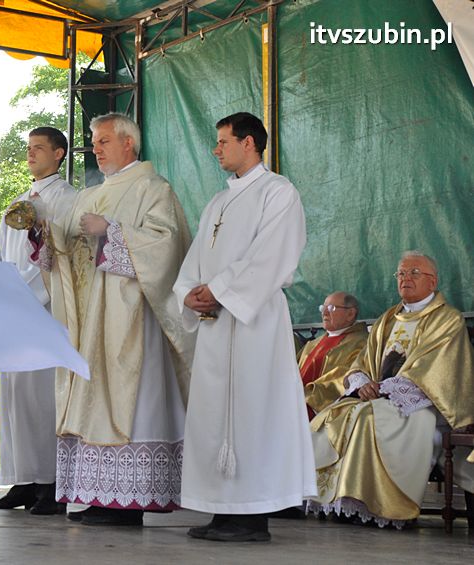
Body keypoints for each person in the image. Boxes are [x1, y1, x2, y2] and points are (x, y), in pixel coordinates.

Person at [31, 113, 194, 526]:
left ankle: (130, 502)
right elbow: (62, 252)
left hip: (131, 319)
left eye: (104, 141)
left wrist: (114, 232)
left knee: (130, 400)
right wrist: (42, 233)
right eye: (94, 141)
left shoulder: (152, 188)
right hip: (90, 321)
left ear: (129, 144)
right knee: (92, 402)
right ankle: (101, 495)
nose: (96, 148)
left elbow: (167, 244)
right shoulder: (88, 196)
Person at [173, 112, 316, 542]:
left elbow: (274, 255)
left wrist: (218, 290)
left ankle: (253, 516)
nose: (216, 150)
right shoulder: (218, 202)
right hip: (216, 325)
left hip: (255, 323)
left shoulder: (278, 192)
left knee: (254, 411)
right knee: (216, 415)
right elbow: (196, 258)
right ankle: (224, 509)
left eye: (223, 141)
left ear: (249, 142)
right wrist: (189, 293)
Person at [307, 251, 474, 528]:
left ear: (433, 282)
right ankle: (336, 501)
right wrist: (362, 383)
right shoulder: (388, 319)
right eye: (401, 274)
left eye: (414, 273)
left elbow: (433, 371)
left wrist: (384, 388)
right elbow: (362, 362)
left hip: (425, 405)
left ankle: (378, 504)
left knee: (369, 418)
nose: (405, 279)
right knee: (331, 416)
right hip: (377, 396)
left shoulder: (448, 320)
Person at [0, 126, 75, 515]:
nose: (31, 154)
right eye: (28, 148)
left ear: (59, 154)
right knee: (15, 398)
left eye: (39, 148)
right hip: (15, 312)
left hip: (45, 311)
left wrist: (23, 295)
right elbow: (2, 255)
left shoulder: (69, 199)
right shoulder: (17, 202)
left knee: (42, 399)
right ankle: (22, 479)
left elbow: (62, 255)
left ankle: (50, 484)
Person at [298, 291, 368, 418]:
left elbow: (348, 376)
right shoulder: (313, 344)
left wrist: (306, 395)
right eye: (322, 308)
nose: (324, 313)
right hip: (294, 403)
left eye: (331, 308)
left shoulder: (362, 343)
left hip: (319, 411)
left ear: (350, 314)